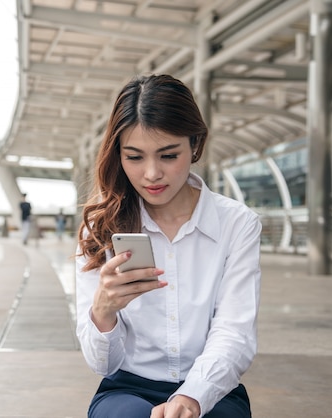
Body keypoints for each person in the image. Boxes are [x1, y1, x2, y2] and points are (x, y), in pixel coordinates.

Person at [75, 74, 262, 418]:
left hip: (212, 385)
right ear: (118, 156)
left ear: (195, 145)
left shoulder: (237, 223)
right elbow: (101, 363)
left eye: (168, 155)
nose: (151, 174)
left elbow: (234, 332)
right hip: (128, 385)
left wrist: (193, 396)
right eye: (134, 157)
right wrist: (103, 312)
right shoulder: (100, 228)